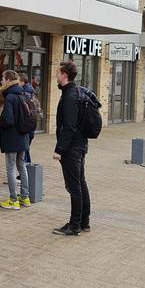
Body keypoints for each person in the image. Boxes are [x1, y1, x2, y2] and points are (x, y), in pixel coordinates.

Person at [52, 61, 92, 236]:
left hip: (72, 148)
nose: (56, 75)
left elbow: (69, 126)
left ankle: (75, 225)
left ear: (64, 75)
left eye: (58, 73)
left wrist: (59, 149)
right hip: (80, 145)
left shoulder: (69, 96)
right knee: (80, 184)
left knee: (74, 186)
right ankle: (84, 222)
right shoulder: (75, 92)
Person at [0, 70, 31, 210]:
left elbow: (8, 119)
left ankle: (13, 200)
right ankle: (25, 197)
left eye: (2, 78)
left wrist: (1, 124)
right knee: (22, 166)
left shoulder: (10, 97)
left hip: (12, 138)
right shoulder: (22, 95)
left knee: (11, 168)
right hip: (23, 137)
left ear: (8, 80)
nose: (1, 81)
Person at [19, 73, 36, 164]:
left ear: (22, 82)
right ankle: (27, 168)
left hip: (27, 127)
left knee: (24, 150)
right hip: (31, 126)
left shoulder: (25, 94)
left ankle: (25, 172)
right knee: (26, 149)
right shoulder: (30, 92)